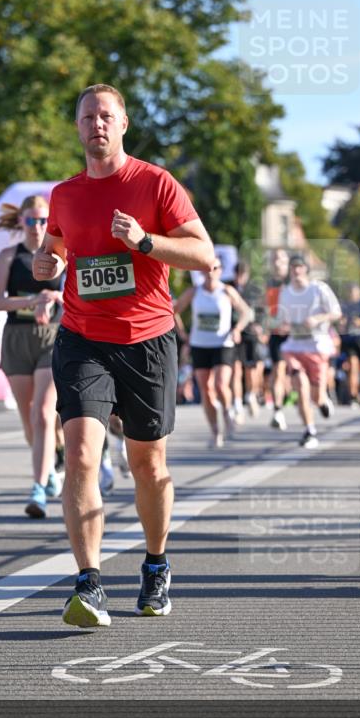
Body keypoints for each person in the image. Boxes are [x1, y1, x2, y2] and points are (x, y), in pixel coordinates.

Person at [33, 83, 214, 627]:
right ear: (78, 127)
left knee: (147, 464)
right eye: (88, 116)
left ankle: (156, 565)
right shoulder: (63, 194)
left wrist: (145, 242)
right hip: (83, 337)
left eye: (106, 116)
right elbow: (56, 250)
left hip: (147, 340)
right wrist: (48, 265)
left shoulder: (155, 183)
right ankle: (89, 584)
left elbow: (203, 254)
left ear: (124, 123)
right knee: (83, 454)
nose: (97, 125)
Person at [0, 194, 64, 517]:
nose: (37, 227)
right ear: (21, 222)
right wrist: (32, 302)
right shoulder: (9, 256)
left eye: (44, 220)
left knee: (45, 413)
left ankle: (37, 490)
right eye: (32, 220)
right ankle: (48, 467)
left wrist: (53, 296)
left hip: (53, 337)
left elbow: (76, 294)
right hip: (17, 338)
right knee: (28, 415)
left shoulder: (61, 254)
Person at [175, 260, 251, 447]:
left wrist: (237, 329)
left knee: (220, 384)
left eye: (215, 268)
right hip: (200, 345)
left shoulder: (227, 291)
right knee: (206, 390)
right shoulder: (194, 291)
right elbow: (173, 311)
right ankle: (215, 431)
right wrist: (183, 334)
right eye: (206, 268)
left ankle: (227, 412)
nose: (210, 272)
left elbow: (246, 312)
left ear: (221, 271)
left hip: (222, 343)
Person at [277, 254, 342, 448]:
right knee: (300, 388)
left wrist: (317, 319)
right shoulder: (285, 292)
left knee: (316, 396)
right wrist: (284, 327)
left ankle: (323, 402)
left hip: (316, 345)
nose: (296, 271)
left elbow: (336, 313)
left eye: (299, 267)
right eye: (293, 267)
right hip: (294, 346)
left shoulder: (319, 289)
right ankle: (309, 431)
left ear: (306, 269)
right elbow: (282, 320)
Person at [231, 260, 266, 418]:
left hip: (250, 333)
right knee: (236, 370)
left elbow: (261, 310)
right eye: (238, 275)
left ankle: (250, 394)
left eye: (242, 275)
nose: (240, 278)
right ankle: (237, 403)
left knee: (251, 369)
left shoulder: (254, 291)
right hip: (233, 333)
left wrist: (259, 325)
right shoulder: (229, 288)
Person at [265, 247, 291, 430]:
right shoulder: (267, 284)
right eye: (275, 258)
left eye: (281, 259)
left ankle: (322, 397)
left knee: (300, 372)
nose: (277, 262)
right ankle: (278, 411)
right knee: (278, 371)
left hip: (297, 333)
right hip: (276, 334)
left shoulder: (295, 281)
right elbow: (263, 309)